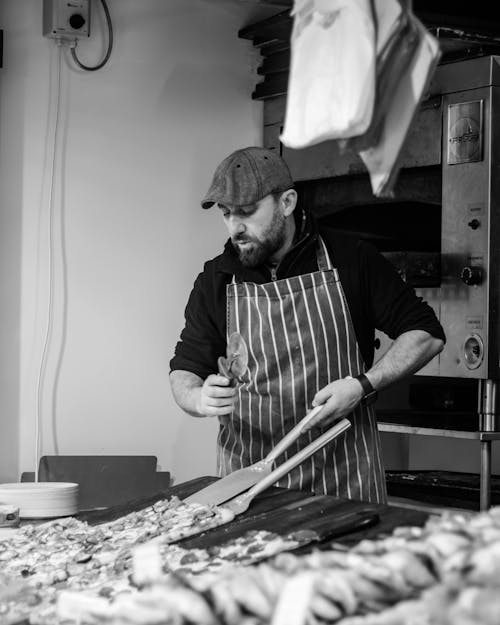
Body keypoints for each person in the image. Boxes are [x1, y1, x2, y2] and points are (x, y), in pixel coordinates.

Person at [169, 146, 445, 504]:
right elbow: (184, 372)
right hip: (248, 491)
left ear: (287, 202)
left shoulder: (350, 259)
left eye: (248, 213)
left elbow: (426, 333)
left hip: (344, 484)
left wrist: (363, 385)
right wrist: (199, 398)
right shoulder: (216, 280)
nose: (235, 228)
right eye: (226, 214)